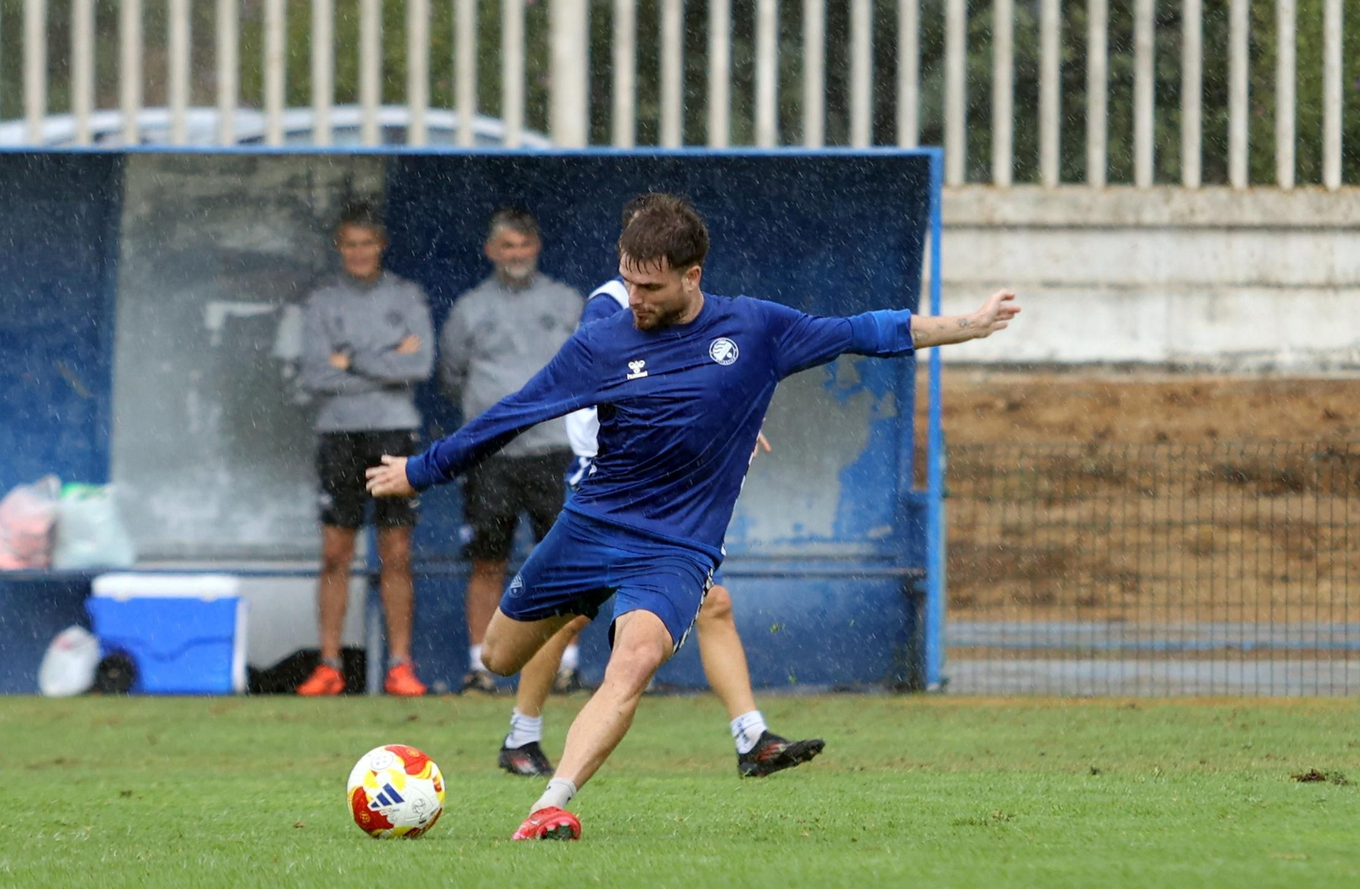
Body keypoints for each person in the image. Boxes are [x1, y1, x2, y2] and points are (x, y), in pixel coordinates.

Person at [366, 193, 1019, 840]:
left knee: (635, 659)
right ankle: (539, 691)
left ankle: (551, 803)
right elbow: (515, 412)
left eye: (648, 287)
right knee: (502, 656)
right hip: (590, 526)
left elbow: (867, 331)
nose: (635, 299)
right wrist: (420, 470)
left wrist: (969, 323)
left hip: (676, 548)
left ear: (692, 276)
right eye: (627, 281)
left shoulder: (755, 330)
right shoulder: (601, 343)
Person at [495, 201, 823, 781]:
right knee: (566, 615)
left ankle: (752, 736)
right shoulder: (611, 305)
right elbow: (611, 388)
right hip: (608, 478)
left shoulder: (685, 313)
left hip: (655, 494)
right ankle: (522, 734)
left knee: (712, 603)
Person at [438, 207, 583, 698]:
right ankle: (481, 666)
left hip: (555, 450)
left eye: (524, 245)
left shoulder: (566, 301)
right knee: (487, 561)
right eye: (507, 246)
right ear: (491, 250)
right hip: (491, 456)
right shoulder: (469, 307)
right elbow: (452, 376)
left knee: (561, 562)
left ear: (536, 247)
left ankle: (564, 664)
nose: (516, 255)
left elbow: (591, 366)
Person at [296, 202, 435, 698]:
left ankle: (400, 665)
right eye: (350, 244)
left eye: (367, 243)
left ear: (381, 245)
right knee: (336, 552)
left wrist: (350, 360)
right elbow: (315, 374)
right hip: (338, 435)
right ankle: (329, 664)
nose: (359, 252)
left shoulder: (407, 295)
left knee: (395, 551)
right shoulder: (321, 301)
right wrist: (384, 363)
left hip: (395, 433)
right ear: (340, 247)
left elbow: (420, 367)